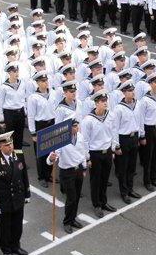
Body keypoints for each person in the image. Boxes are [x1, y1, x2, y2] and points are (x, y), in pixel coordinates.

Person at [0, 131, 30, 255]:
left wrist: (27, 194)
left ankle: (16, 246)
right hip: (4, 201)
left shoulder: (19, 155)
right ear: (0, 147)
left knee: (17, 225)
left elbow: (24, 177)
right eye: (6, 145)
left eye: (11, 144)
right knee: (5, 227)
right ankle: (6, 250)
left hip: (18, 198)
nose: (10, 147)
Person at [47, 118, 89, 234]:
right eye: (73, 126)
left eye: (77, 126)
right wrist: (51, 158)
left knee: (76, 197)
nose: (76, 128)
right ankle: (67, 222)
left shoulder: (80, 136)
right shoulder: (61, 140)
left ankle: (73, 218)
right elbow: (52, 157)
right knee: (71, 198)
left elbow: (83, 152)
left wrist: (84, 167)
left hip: (78, 170)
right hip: (67, 172)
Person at [80, 89, 116, 218]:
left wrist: (113, 148)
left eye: (105, 101)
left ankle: (104, 201)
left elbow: (113, 132)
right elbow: (84, 140)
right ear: (96, 103)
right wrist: (87, 157)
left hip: (107, 152)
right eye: (102, 101)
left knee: (105, 178)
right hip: (95, 154)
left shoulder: (110, 115)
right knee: (96, 180)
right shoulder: (88, 120)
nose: (105, 103)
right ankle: (97, 204)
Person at [111, 80, 141, 204]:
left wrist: (140, 136)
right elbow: (115, 128)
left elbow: (140, 121)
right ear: (123, 92)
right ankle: (124, 192)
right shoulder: (119, 108)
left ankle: (130, 189)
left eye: (132, 90)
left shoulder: (137, 104)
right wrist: (116, 145)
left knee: (132, 166)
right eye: (129, 91)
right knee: (123, 167)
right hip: (124, 139)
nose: (132, 93)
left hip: (134, 138)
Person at [136, 72, 156, 191]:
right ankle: (147, 181)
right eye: (155, 83)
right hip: (149, 129)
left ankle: (154, 178)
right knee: (148, 156)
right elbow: (141, 119)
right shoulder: (144, 100)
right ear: (150, 84)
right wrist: (142, 135)